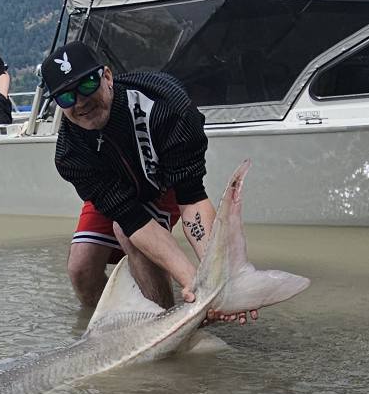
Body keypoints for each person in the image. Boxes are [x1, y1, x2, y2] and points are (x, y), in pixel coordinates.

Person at [42, 40, 252, 323]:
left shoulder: (167, 105)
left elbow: (191, 199)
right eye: (66, 97)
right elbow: (131, 217)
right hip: (117, 195)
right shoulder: (70, 155)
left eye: (87, 85)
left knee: (129, 236)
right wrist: (193, 281)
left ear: (107, 76)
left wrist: (216, 280)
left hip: (162, 184)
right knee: (80, 267)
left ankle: (171, 321)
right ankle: (112, 327)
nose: (80, 102)